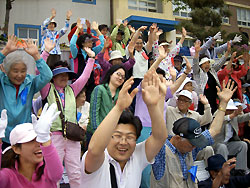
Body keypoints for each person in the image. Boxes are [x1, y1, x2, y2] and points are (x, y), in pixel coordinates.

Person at [81, 68, 168, 187]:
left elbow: (160, 138)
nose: (123, 142)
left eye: (130, 137)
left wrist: (152, 106)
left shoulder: (137, 156)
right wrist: (119, 108)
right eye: (117, 136)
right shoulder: (100, 160)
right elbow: (94, 150)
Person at [151, 80, 237, 188]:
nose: (194, 147)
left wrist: (223, 103)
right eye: (191, 143)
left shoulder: (190, 149)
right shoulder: (161, 153)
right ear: (178, 138)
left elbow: (214, 130)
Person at [40, 46, 95, 188]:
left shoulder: (72, 89)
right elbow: (38, 72)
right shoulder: (47, 89)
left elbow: (85, 77)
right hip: (54, 136)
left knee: (75, 173)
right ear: (53, 77)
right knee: (54, 174)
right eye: (60, 74)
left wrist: (91, 59)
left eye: (66, 74)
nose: (64, 77)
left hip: (72, 137)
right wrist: (45, 53)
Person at [0, 35, 52, 149]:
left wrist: (36, 55)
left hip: (25, 137)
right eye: (15, 71)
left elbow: (47, 75)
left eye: (23, 71)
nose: (19, 75)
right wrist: (5, 51)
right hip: (4, 137)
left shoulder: (30, 82)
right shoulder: (2, 81)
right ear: (6, 71)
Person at [0, 103, 63, 187]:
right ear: (16, 149)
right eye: (31, 141)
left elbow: (57, 175)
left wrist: (45, 138)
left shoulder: (47, 170)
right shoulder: (8, 175)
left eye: (40, 140)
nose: (39, 144)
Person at [86, 64, 127, 143]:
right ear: (111, 74)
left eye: (123, 77)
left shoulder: (122, 94)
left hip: (112, 135)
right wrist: (97, 133)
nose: (120, 78)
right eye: (118, 74)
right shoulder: (99, 89)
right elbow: (94, 113)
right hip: (96, 134)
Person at [70, 18, 104, 101]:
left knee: (89, 102)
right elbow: (72, 43)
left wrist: (97, 30)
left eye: (92, 42)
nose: (91, 43)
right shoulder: (76, 52)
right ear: (82, 43)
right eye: (89, 41)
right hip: (78, 81)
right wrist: (78, 29)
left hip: (90, 82)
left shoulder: (93, 51)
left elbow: (103, 44)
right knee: (77, 102)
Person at [212, 99, 249, 175]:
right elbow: (217, 120)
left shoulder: (234, 117)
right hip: (216, 145)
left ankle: (240, 170)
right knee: (222, 147)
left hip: (228, 144)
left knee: (242, 145)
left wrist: (233, 116)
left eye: (232, 110)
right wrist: (231, 116)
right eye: (228, 110)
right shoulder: (217, 114)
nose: (230, 112)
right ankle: (223, 172)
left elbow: (244, 117)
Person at [193, 40, 230, 114]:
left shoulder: (212, 70)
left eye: (208, 63)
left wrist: (227, 52)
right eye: (205, 63)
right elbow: (195, 64)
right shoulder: (197, 72)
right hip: (202, 101)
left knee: (212, 119)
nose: (207, 64)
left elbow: (220, 63)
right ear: (201, 65)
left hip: (212, 100)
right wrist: (196, 53)